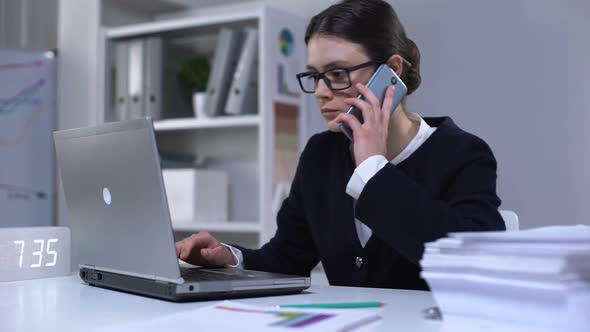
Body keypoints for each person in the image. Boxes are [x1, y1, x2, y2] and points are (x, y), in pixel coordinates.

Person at [176, 0, 504, 290]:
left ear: (391, 71)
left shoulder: (462, 153)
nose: (320, 91)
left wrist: (373, 167)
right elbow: (287, 258)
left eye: (336, 74)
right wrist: (230, 259)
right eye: (315, 76)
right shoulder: (321, 154)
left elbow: (474, 263)